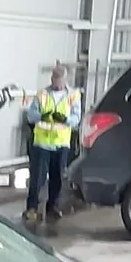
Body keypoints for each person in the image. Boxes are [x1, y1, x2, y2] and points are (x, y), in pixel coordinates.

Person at [23, 63, 80, 226]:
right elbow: (31, 115)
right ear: (52, 79)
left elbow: (76, 118)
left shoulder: (73, 95)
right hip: (42, 144)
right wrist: (41, 116)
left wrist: (66, 119)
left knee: (57, 179)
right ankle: (32, 208)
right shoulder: (42, 95)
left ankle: (52, 207)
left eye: (60, 81)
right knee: (37, 178)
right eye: (55, 80)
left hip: (61, 144)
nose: (58, 84)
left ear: (65, 79)